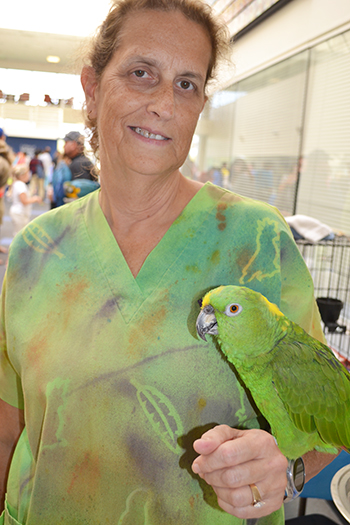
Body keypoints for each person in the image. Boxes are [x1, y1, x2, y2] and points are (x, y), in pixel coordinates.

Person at [0, 1, 339, 524]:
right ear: (92, 88)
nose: (163, 103)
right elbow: (11, 429)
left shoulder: (258, 242)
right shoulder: (34, 253)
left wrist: (285, 470)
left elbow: (325, 424)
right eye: (141, 73)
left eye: (187, 84)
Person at [9, 164, 42, 236]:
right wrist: (35, 198)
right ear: (22, 175)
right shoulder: (21, 185)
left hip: (19, 212)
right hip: (20, 213)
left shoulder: (17, 184)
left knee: (19, 233)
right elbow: (24, 201)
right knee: (20, 235)